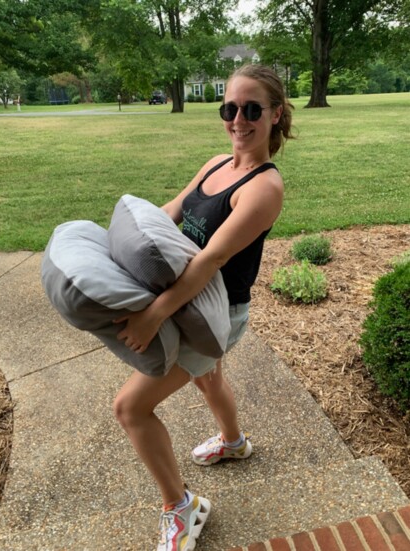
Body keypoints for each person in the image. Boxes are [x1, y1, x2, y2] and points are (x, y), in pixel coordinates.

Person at [113, 64, 294, 550]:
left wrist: (153, 314)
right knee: (207, 376)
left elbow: (211, 259)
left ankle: (182, 508)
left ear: (276, 115)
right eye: (230, 108)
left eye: (252, 109)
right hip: (188, 300)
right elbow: (165, 216)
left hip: (215, 314)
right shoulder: (216, 163)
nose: (239, 119)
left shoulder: (263, 188)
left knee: (130, 408)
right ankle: (234, 443)